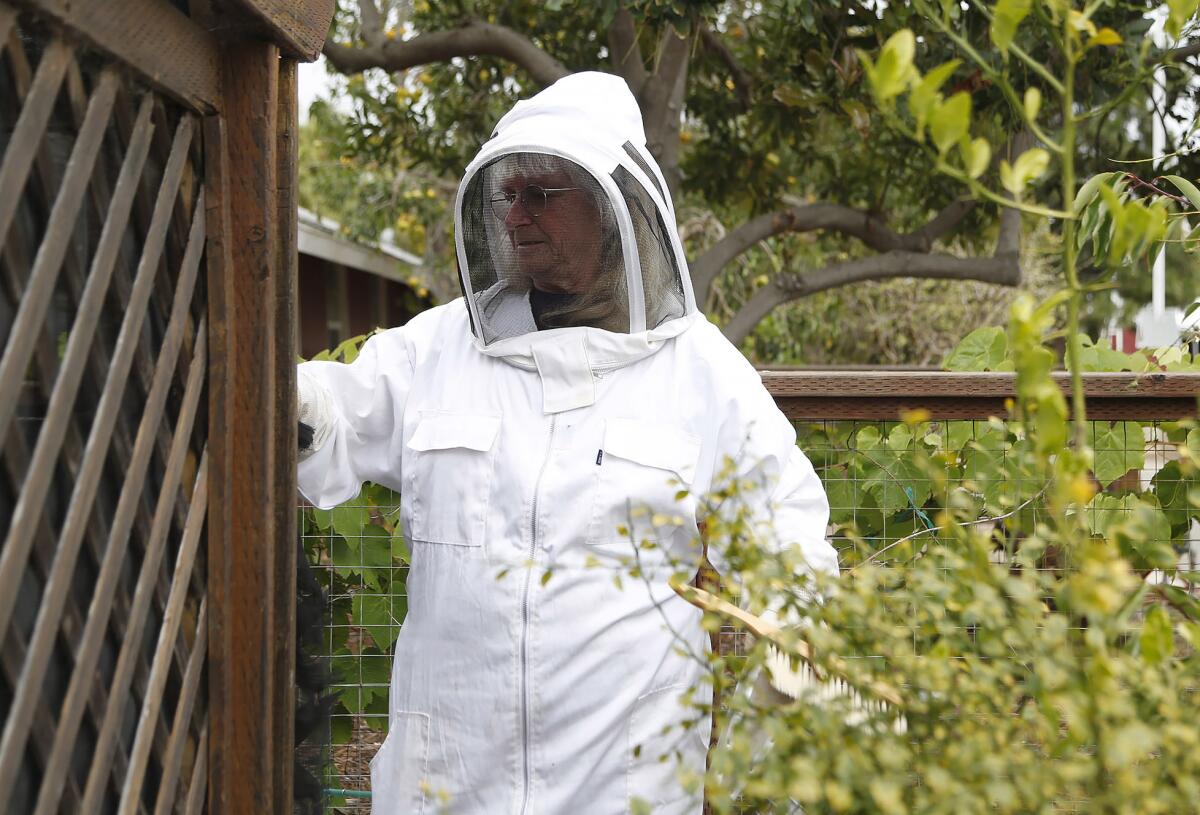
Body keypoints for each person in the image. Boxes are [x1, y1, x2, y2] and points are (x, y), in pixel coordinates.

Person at [296, 71, 837, 815]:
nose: (516, 215)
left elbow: (794, 560)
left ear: (612, 208)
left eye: (542, 193)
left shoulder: (700, 371)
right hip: (449, 784)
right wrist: (284, 390)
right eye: (507, 195)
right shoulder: (440, 348)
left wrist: (758, 758)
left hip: (624, 790)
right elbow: (333, 416)